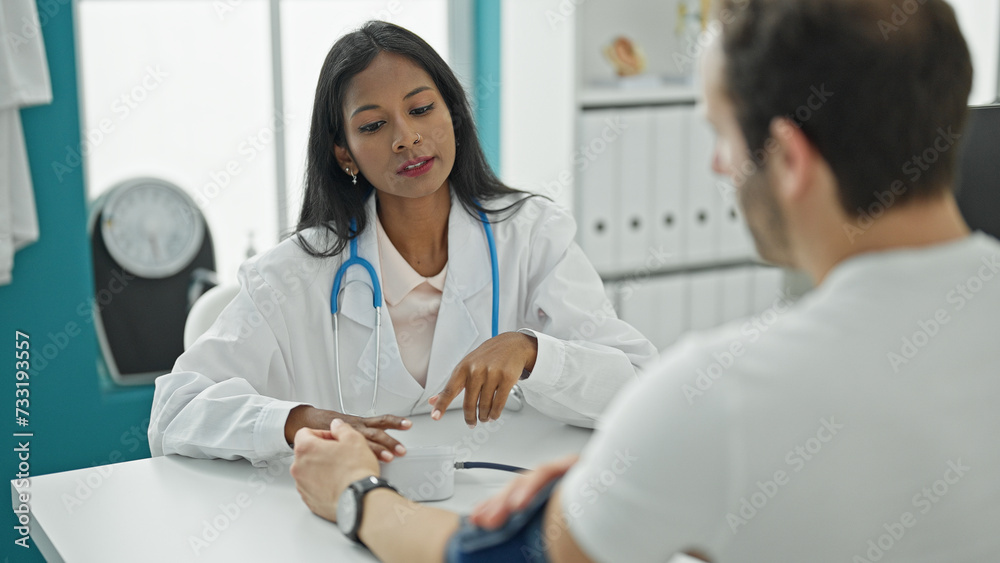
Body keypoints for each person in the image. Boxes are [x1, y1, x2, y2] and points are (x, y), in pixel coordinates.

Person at [288, 1, 1000, 561]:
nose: (719, 169)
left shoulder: (718, 394)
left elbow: (497, 557)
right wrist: (638, 484)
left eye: (721, 135)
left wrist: (356, 492)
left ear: (788, 159)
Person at [148, 21, 656, 467]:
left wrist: (531, 351)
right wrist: (300, 421)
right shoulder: (293, 274)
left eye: (420, 109)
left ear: (452, 114)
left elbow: (636, 385)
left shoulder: (531, 235)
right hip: (345, 519)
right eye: (374, 125)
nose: (407, 138)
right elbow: (174, 411)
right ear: (345, 153)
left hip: (491, 511)